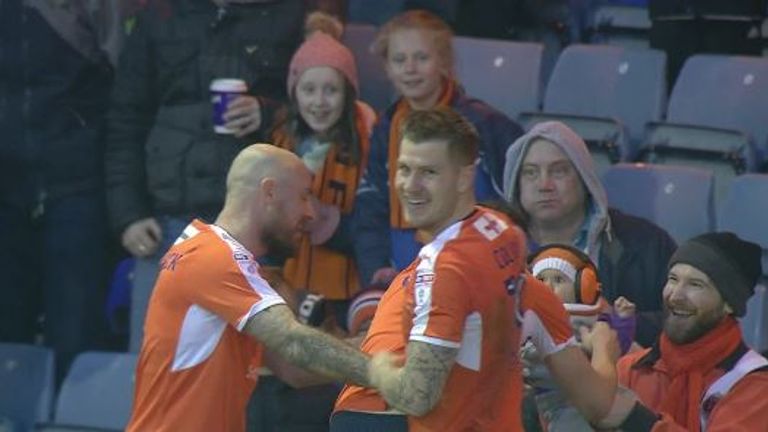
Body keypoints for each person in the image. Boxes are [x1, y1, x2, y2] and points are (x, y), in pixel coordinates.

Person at [332, 108, 622, 431]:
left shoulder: (413, 274)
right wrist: (604, 350)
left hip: (354, 415)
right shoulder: (526, 294)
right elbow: (599, 404)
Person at [126, 144, 382, 431]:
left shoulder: (211, 252)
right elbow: (294, 342)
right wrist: (390, 369)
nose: (311, 212)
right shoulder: (216, 259)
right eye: (304, 196)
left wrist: (382, 346)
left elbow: (293, 368)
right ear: (270, 192)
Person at [105, 0, 308, 351]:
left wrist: (266, 112)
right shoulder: (158, 17)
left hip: (256, 227)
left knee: (256, 369)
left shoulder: (289, 16)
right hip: (168, 221)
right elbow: (125, 120)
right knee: (159, 362)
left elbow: (318, 108)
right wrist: (129, 215)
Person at [352, 9, 525, 291]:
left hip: (479, 265)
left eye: (421, 58)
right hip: (403, 270)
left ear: (443, 62)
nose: (410, 68)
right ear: (387, 67)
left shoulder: (486, 124)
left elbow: (515, 204)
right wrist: (376, 268)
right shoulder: (385, 128)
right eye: (399, 59)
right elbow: (370, 207)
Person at [0, 0, 120, 383]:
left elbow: (125, 77)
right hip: (6, 186)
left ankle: (69, 420)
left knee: (76, 330)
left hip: (77, 179)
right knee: (7, 326)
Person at [503, 121, 677, 347]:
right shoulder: (497, 247)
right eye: (530, 173)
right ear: (516, 184)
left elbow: (681, 323)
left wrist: (616, 320)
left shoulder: (645, 243)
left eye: (559, 171)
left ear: (585, 179)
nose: (544, 185)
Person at [595, 232, 768, 431]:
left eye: (695, 285)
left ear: (729, 304)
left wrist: (637, 420)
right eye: (673, 279)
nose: (675, 295)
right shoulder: (630, 369)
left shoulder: (754, 383)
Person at [269, 15, 376, 320]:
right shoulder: (279, 139)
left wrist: (327, 222)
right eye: (309, 90)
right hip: (286, 287)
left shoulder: (367, 141)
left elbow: (372, 226)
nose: (319, 102)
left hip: (343, 290)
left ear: (348, 94)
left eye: (331, 90)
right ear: (294, 93)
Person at [522, 244, 637, 431]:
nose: (549, 287)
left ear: (584, 286)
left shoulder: (596, 318)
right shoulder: (530, 320)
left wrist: (624, 320)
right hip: (558, 401)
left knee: (632, 406)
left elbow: (618, 344)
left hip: (603, 389)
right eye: (541, 280)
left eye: (559, 280)